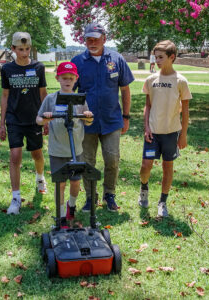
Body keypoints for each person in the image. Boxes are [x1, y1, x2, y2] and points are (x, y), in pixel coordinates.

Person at [71, 23, 134, 212]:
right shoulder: (77, 62)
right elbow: (69, 90)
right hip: (86, 122)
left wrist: (126, 116)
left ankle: (110, 195)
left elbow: (125, 89)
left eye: (96, 38)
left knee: (112, 159)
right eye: (88, 39)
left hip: (111, 120)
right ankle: (91, 197)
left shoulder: (117, 59)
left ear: (104, 39)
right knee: (87, 161)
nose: (92, 42)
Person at [138, 40, 192, 217]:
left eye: (161, 57)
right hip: (153, 131)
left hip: (171, 133)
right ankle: (144, 187)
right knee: (146, 166)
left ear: (172, 57)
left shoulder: (180, 81)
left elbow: (185, 111)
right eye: (156, 57)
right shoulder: (151, 79)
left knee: (167, 168)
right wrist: (146, 127)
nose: (157, 60)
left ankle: (162, 201)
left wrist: (182, 135)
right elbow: (148, 105)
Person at [36, 62, 93, 228]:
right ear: (57, 78)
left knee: (75, 182)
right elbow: (38, 119)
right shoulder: (50, 99)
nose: (67, 81)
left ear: (76, 79)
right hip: (57, 150)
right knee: (60, 184)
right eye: (64, 78)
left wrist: (87, 116)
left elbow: (88, 122)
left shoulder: (79, 99)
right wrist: (46, 118)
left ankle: (72, 206)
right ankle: (61, 216)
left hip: (76, 149)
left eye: (71, 78)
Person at [0, 32, 48, 215]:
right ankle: (16, 197)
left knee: (37, 154)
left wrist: (46, 119)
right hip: (14, 119)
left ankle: (40, 177)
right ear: (13, 49)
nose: (25, 53)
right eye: (21, 49)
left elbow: (43, 93)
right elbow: (4, 96)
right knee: (15, 155)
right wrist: (2, 123)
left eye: (27, 49)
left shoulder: (38, 67)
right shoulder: (7, 70)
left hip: (34, 118)